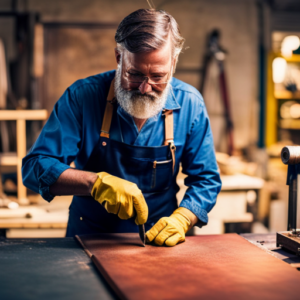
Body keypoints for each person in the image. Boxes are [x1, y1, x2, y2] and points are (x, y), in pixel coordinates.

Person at [22, 9, 221, 247]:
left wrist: (183, 218)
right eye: (134, 74)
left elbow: (206, 179)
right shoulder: (82, 97)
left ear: (174, 62)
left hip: (161, 243)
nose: (145, 88)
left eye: (158, 76)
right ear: (119, 58)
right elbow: (34, 167)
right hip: (89, 239)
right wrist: (94, 183)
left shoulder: (190, 103)